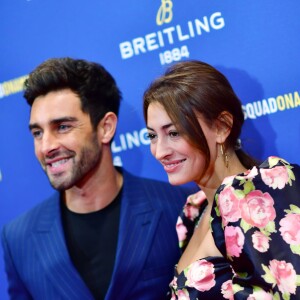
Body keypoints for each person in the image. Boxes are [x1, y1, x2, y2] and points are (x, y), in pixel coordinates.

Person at [1, 57, 196, 300]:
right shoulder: (18, 240)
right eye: (37, 133)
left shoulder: (180, 208)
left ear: (106, 128)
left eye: (62, 127)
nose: (46, 146)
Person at [143, 60, 300, 299]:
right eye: (153, 136)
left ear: (222, 127)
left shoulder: (257, 193)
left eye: (174, 133)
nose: (159, 151)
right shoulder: (193, 212)